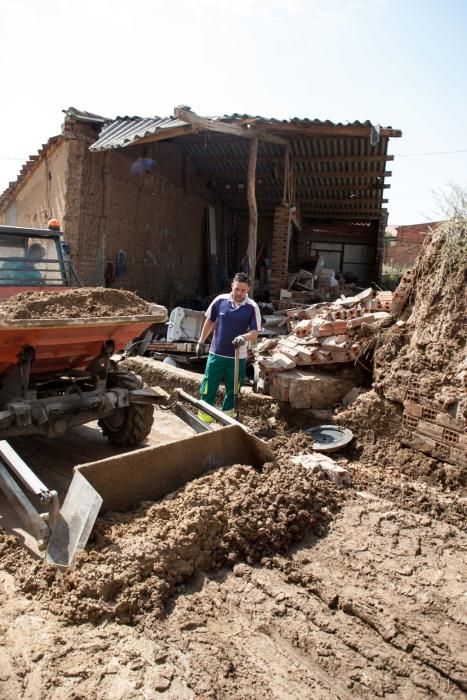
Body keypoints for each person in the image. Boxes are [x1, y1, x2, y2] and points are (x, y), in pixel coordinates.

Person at [196, 272, 261, 422]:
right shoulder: (220, 300)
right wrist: (201, 341)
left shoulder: (252, 307)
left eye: (243, 290)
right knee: (208, 387)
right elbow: (210, 321)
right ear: (232, 286)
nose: (239, 293)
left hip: (237, 358)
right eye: (237, 289)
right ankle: (204, 420)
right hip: (216, 354)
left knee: (232, 391)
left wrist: (243, 337)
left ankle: (226, 421)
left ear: (248, 290)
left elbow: (255, 332)